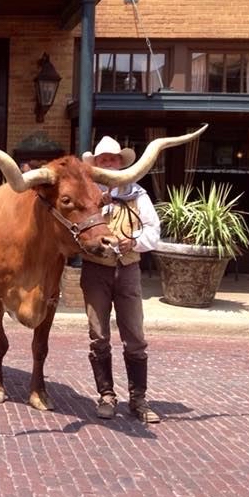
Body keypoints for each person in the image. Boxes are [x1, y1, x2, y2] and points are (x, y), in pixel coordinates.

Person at [80, 136, 162, 423]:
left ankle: (138, 399)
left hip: (127, 270)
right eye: (103, 160)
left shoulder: (137, 194)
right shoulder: (88, 195)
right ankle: (106, 395)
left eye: (112, 159)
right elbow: (73, 230)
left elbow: (154, 233)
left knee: (135, 337)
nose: (108, 164)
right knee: (99, 335)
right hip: (95, 271)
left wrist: (133, 242)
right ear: (96, 164)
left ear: (120, 162)